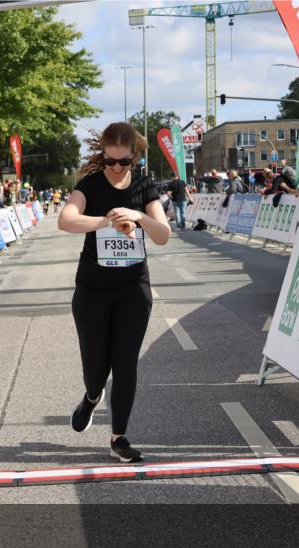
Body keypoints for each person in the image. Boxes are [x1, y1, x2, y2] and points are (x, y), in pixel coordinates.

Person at [57, 122, 171, 463]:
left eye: (124, 162)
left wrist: (138, 216)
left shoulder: (144, 186)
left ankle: (119, 437)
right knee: (96, 368)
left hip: (133, 288)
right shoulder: (90, 184)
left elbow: (163, 235)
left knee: (125, 364)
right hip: (92, 289)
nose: (117, 168)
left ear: (134, 157)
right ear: (103, 156)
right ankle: (92, 396)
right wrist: (106, 221)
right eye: (111, 161)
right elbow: (66, 219)